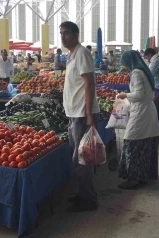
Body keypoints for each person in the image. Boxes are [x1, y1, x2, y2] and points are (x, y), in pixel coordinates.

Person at [60, 21, 100, 212]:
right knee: (78, 158)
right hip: (74, 114)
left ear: (76, 35)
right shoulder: (71, 55)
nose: (62, 36)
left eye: (66, 33)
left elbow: (90, 84)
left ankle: (89, 199)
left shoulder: (82, 53)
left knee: (82, 159)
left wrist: (89, 115)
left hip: (82, 114)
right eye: (61, 33)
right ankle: (83, 193)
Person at [116, 50, 159, 189]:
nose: (125, 67)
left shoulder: (136, 73)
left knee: (131, 142)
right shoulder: (142, 70)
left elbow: (139, 94)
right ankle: (145, 174)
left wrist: (125, 95)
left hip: (142, 112)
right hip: (147, 110)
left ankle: (134, 178)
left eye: (124, 64)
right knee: (145, 142)